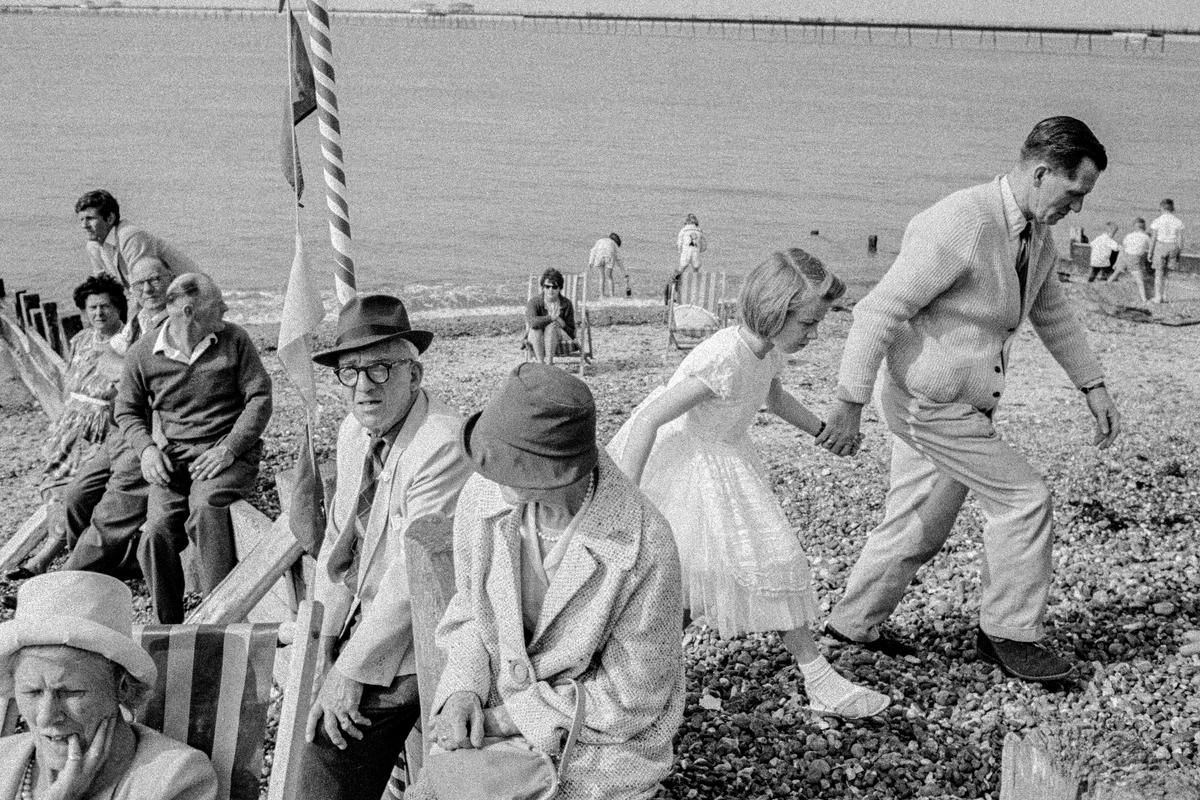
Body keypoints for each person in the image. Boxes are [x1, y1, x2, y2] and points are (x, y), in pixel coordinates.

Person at [818, 116, 1121, 684]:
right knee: (1024, 499)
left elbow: (1051, 313)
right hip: (931, 405)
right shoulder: (961, 221)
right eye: (1074, 193)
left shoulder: (1036, 233)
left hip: (959, 401)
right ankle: (1008, 631)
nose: (1076, 208)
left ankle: (852, 624)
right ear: (1039, 173)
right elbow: (879, 310)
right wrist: (848, 400)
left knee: (918, 525)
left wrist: (1093, 385)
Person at [609, 249, 889, 719]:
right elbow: (650, 419)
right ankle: (814, 678)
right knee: (756, 560)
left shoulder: (768, 350)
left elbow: (773, 395)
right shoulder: (724, 357)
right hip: (689, 462)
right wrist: (626, 504)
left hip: (728, 455)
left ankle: (648, 679)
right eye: (807, 324)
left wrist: (822, 431)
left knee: (692, 581)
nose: (814, 334)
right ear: (775, 312)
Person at [407, 364, 684, 800]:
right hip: (495, 709)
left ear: (560, 470)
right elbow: (469, 614)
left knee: (455, 787)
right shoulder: (483, 496)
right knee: (436, 787)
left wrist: (508, 718)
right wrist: (463, 690)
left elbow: (634, 696)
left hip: (599, 739)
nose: (492, 472)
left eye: (511, 463)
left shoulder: (645, 544)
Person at [302, 295, 472, 800]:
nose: (363, 387)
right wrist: (321, 637)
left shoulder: (442, 442)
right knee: (303, 696)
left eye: (381, 368)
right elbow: (340, 541)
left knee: (327, 753)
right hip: (363, 617)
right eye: (350, 372)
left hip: (423, 635)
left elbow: (407, 582)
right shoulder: (354, 432)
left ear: (414, 376)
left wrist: (349, 669)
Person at [114, 273, 272, 624]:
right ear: (189, 311)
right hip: (175, 457)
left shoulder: (235, 340)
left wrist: (230, 448)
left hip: (227, 451)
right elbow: (126, 409)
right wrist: (146, 451)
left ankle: (220, 615)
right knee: (155, 535)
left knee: (205, 508)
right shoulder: (142, 354)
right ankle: (167, 625)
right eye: (218, 304)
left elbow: (259, 398)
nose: (226, 309)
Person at [0, 571, 218, 799]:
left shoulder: (175, 780)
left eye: (70, 692)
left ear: (122, 686)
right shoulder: (4, 759)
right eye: (32, 692)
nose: (46, 717)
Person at [59, 257, 177, 582]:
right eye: (140, 284)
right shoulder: (140, 319)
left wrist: (125, 371)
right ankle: (98, 569)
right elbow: (108, 359)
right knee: (75, 497)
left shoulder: (178, 323)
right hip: (120, 428)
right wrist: (128, 371)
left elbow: (155, 378)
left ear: (171, 280)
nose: (148, 289)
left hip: (151, 434)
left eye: (155, 280)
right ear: (132, 290)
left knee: (109, 515)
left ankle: (71, 582)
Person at [7, 276, 128, 580]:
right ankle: (56, 557)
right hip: (70, 424)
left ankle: (48, 560)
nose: (98, 313)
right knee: (52, 486)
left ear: (117, 308)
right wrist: (64, 423)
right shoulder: (81, 340)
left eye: (105, 307)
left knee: (76, 490)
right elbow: (68, 381)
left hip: (102, 427)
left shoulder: (127, 343)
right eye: (92, 308)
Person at [76, 190, 198, 289]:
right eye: (81, 219)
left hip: (193, 295)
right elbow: (106, 289)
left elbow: (144, 287)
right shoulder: (94, 246)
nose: (84, 225)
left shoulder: (130, 237)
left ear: (110, 218)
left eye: (90, 218)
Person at [525, 268, 578, 365]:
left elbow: (572, 332)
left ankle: (549, 363)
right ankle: (541, 364)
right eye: (547, 286)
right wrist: (552, 318)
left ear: (559, 288)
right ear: (543, 287)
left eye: (554, 287)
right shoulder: (534, 302)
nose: (551, 290)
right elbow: (532, 323)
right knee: (535, 329)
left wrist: (563, 325)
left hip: (561, 337)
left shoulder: (566, 304)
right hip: (537, 338)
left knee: (552, 327)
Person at [1147, 198, 1185, 304]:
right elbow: (1180, 239)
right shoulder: (1178, 221)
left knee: (1159, 273)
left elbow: (1153, 238)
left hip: (1160, 246)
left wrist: (1150, 252)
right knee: (1168, 273)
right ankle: (1165, 296)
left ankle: (1158, 297)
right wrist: (1179, 251)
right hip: (1173, 246)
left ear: (1162, 208)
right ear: (1172, 208)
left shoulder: (1157, 221)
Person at [1108, 218, 1152, 302]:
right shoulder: (1146, 236)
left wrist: (1117, 262)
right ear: (1144, 227)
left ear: (1134, 227)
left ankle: (1106, 285)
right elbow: (1152, 248)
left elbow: (1123, 249)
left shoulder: (1128, 236)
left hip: (1124, 256)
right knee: (1140, 281)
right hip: (1134, 259)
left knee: (1116, 274)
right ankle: (1144, 299)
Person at [587, 232, 626, 299]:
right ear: (616, 241)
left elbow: (593, 251)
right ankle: (611, 295)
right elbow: (619, 259)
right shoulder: (614, 244)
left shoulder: (600, 240)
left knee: (601, 277)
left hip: (599, 257)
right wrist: (624, 271)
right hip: (609, 257)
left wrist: (591, 262)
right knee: (609, 277)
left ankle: (601, 295)